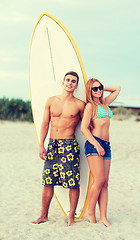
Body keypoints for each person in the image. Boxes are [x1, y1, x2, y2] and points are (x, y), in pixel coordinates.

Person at [32, 71, 85, 226]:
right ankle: (43, 215)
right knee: (48, 181)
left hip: (69, 145)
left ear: (76, 85)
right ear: (63, 82)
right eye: (68, 80)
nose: (70, 83)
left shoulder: (79, 104)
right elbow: (44, 124)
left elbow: (88, 125)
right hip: (52, 144)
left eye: (73, 81)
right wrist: (41, 144)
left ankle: (71, 218)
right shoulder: (51, 101)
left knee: (73, 182)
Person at [81, 78, 121, 227]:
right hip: (94, 145)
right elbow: (84, 129)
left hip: (107, 145)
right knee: (98, 180)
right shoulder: (90, 107)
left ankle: (103, 216)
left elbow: (117, 88)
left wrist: (101, 85)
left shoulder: (104, 103)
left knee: (105, 183)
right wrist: (97, 145)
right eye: (95, 89)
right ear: (89, 91)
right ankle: (90, 211)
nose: (98, 90)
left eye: (100, 88)